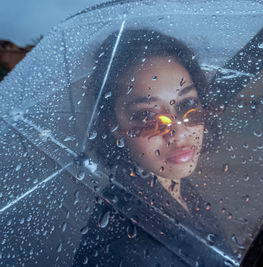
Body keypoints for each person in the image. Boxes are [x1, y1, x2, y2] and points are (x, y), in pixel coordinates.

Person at [73, 29, 229, 266]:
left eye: (187, 104)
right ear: (114, 127)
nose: (178, 130)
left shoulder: (173, 184)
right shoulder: (125, 247)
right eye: (146, 115)